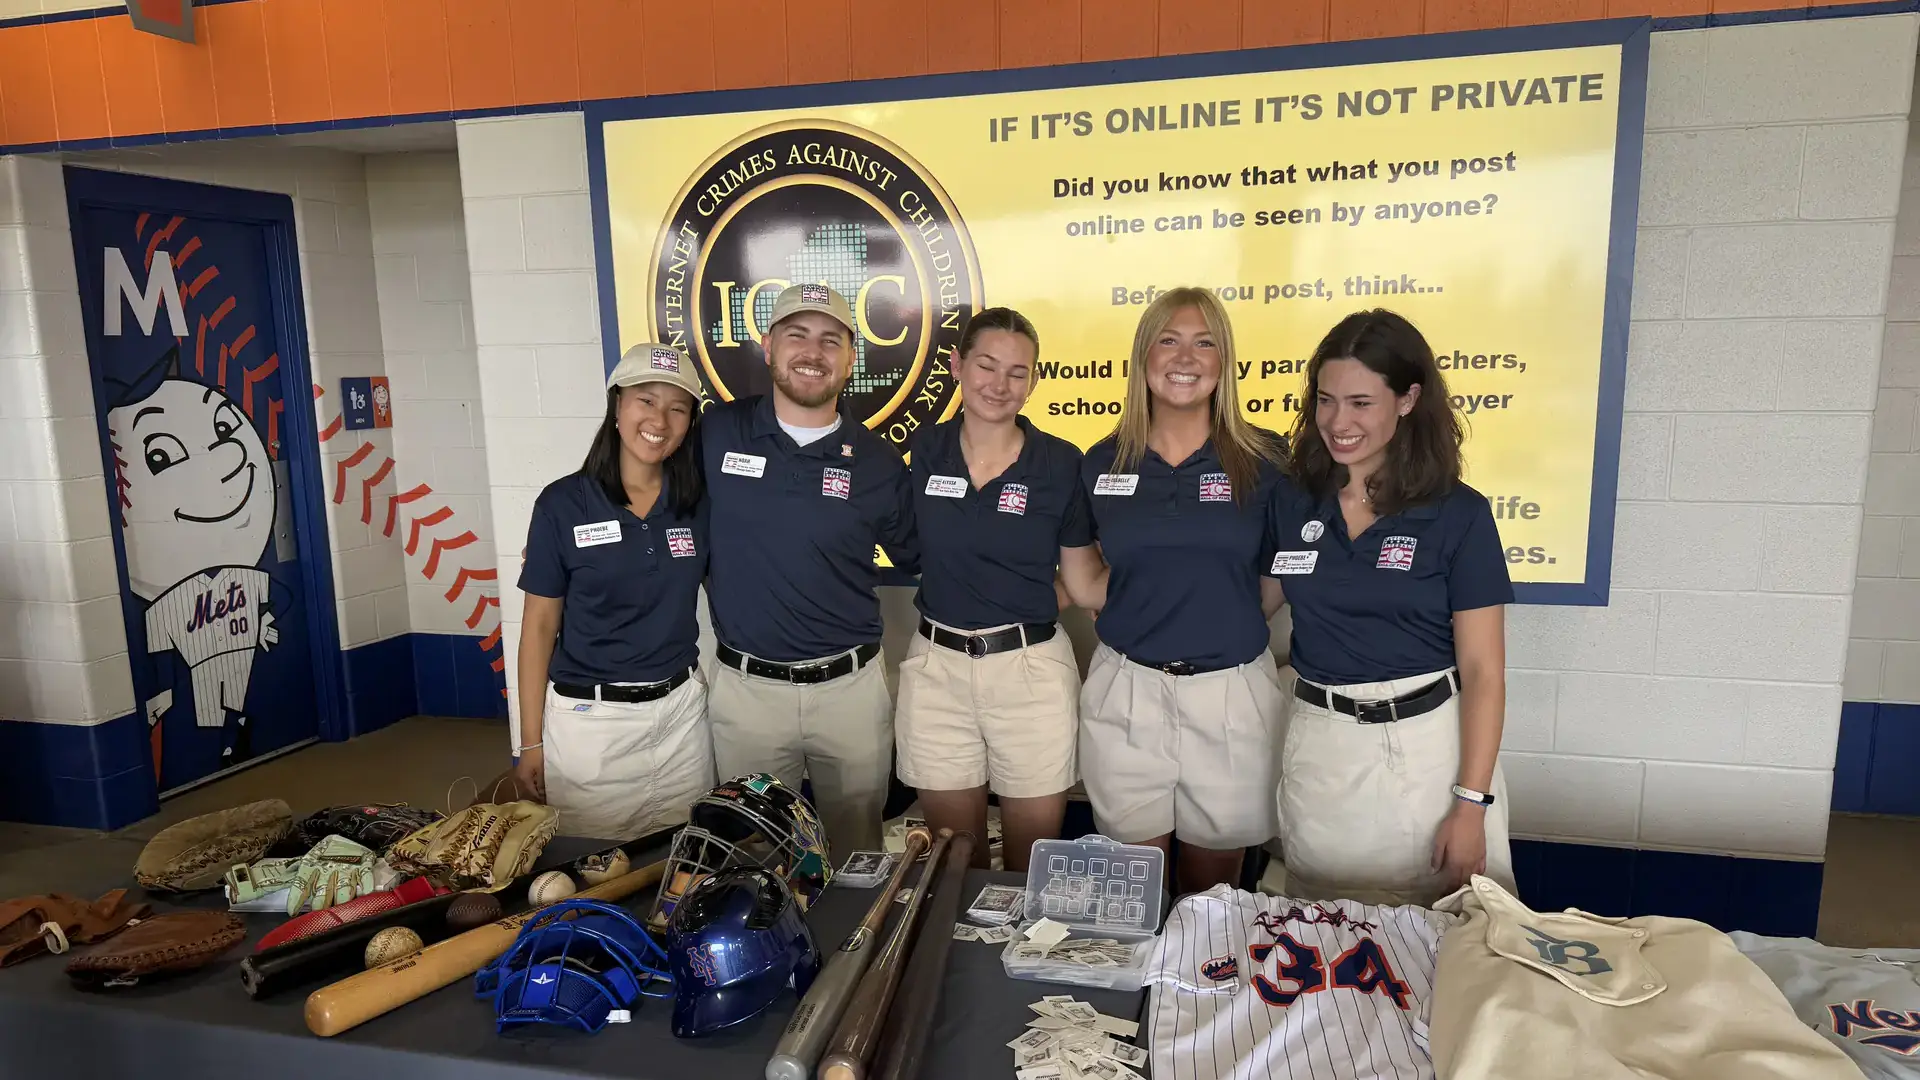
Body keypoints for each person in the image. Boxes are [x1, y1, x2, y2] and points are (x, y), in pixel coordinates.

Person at [1263, 308, 1515, 906]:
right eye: (1325, 400)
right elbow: (1253, 608)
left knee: (1446, 931)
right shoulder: (1295, 501)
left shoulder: (1459, 514)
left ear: (1407, 400)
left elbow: (1484, 673)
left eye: (1360, 403)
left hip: (1430, 748)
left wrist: (1470, 805)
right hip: (1323, 741)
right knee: (1320, 928)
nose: (1337, 422)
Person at [1077, 287, 1288, 895]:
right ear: (1143, 357)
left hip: (1228, 692)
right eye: (1168, 340)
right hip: (1128, 692)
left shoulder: (1264, 459)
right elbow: (1084, 572)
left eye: (1205, 342)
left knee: (1210, 903)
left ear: (1225, 362)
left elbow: (1276, 576)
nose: (1185, 357)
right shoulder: (1103, 463)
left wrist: (1224, 622)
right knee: (1133, 897)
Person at [700, 283, 918, 860]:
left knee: (856, 860)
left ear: (850, 358)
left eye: (830, 339)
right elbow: (639, 482)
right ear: (768, 346)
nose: (812, 351)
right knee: (747, 858)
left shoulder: (877, 460)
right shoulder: (714, 433)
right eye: (796, 334)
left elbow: (927, 553)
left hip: (850, 692)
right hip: (749, 693)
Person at [895, 308, 1103, 871]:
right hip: (937, 670)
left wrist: (1026, 599)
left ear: (1033, 381)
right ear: (959, 365)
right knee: (954, 865)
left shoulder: (1061, 463)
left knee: (1028, 867)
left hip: (1030, 673)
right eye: (987, 365)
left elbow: (1083, 582)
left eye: (1018, 372)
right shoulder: (922, 452)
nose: (1000, 384)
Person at [513, 343, 713, 839]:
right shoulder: (563, 505)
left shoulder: (697, 502)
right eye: (646, 400)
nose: (660, 420)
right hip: (590, 727)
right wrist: (531, 744)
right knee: (590, 875)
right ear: (617, 406)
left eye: (677, 408)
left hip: (682, 720)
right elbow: (539, 628)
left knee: (681, 868)